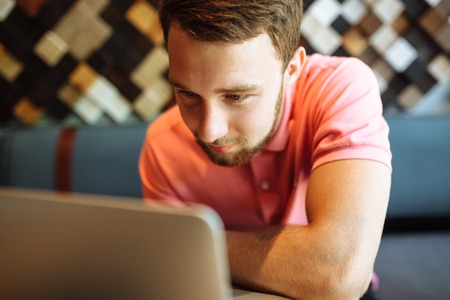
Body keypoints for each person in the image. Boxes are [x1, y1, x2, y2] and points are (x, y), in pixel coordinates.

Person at [139, 0, 392, 299]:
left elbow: (338, 276)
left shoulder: (340, 88)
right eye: (188, 93)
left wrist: (195, 245)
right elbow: (174, 277)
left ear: (292, 69)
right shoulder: (162, 145)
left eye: (236, 96)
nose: (209, 131)